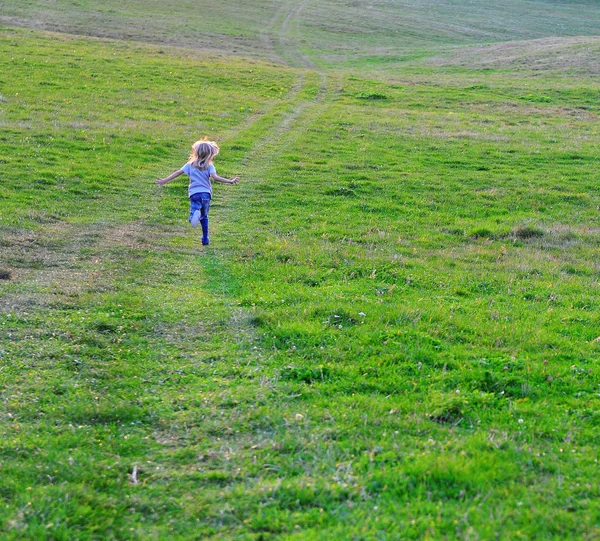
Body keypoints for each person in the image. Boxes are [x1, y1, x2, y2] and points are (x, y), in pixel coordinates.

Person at [156, 140, 239, 245]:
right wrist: (230, 181)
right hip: (206, 194)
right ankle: (205, 238)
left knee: (194, 212)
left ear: (196, 152)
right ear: (210, 154)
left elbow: (178, 173)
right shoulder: (210, 166)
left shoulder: (190, 165)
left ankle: (193, 216)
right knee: (204, 217)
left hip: (194, 193)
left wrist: (164, 180)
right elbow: (216, 178)